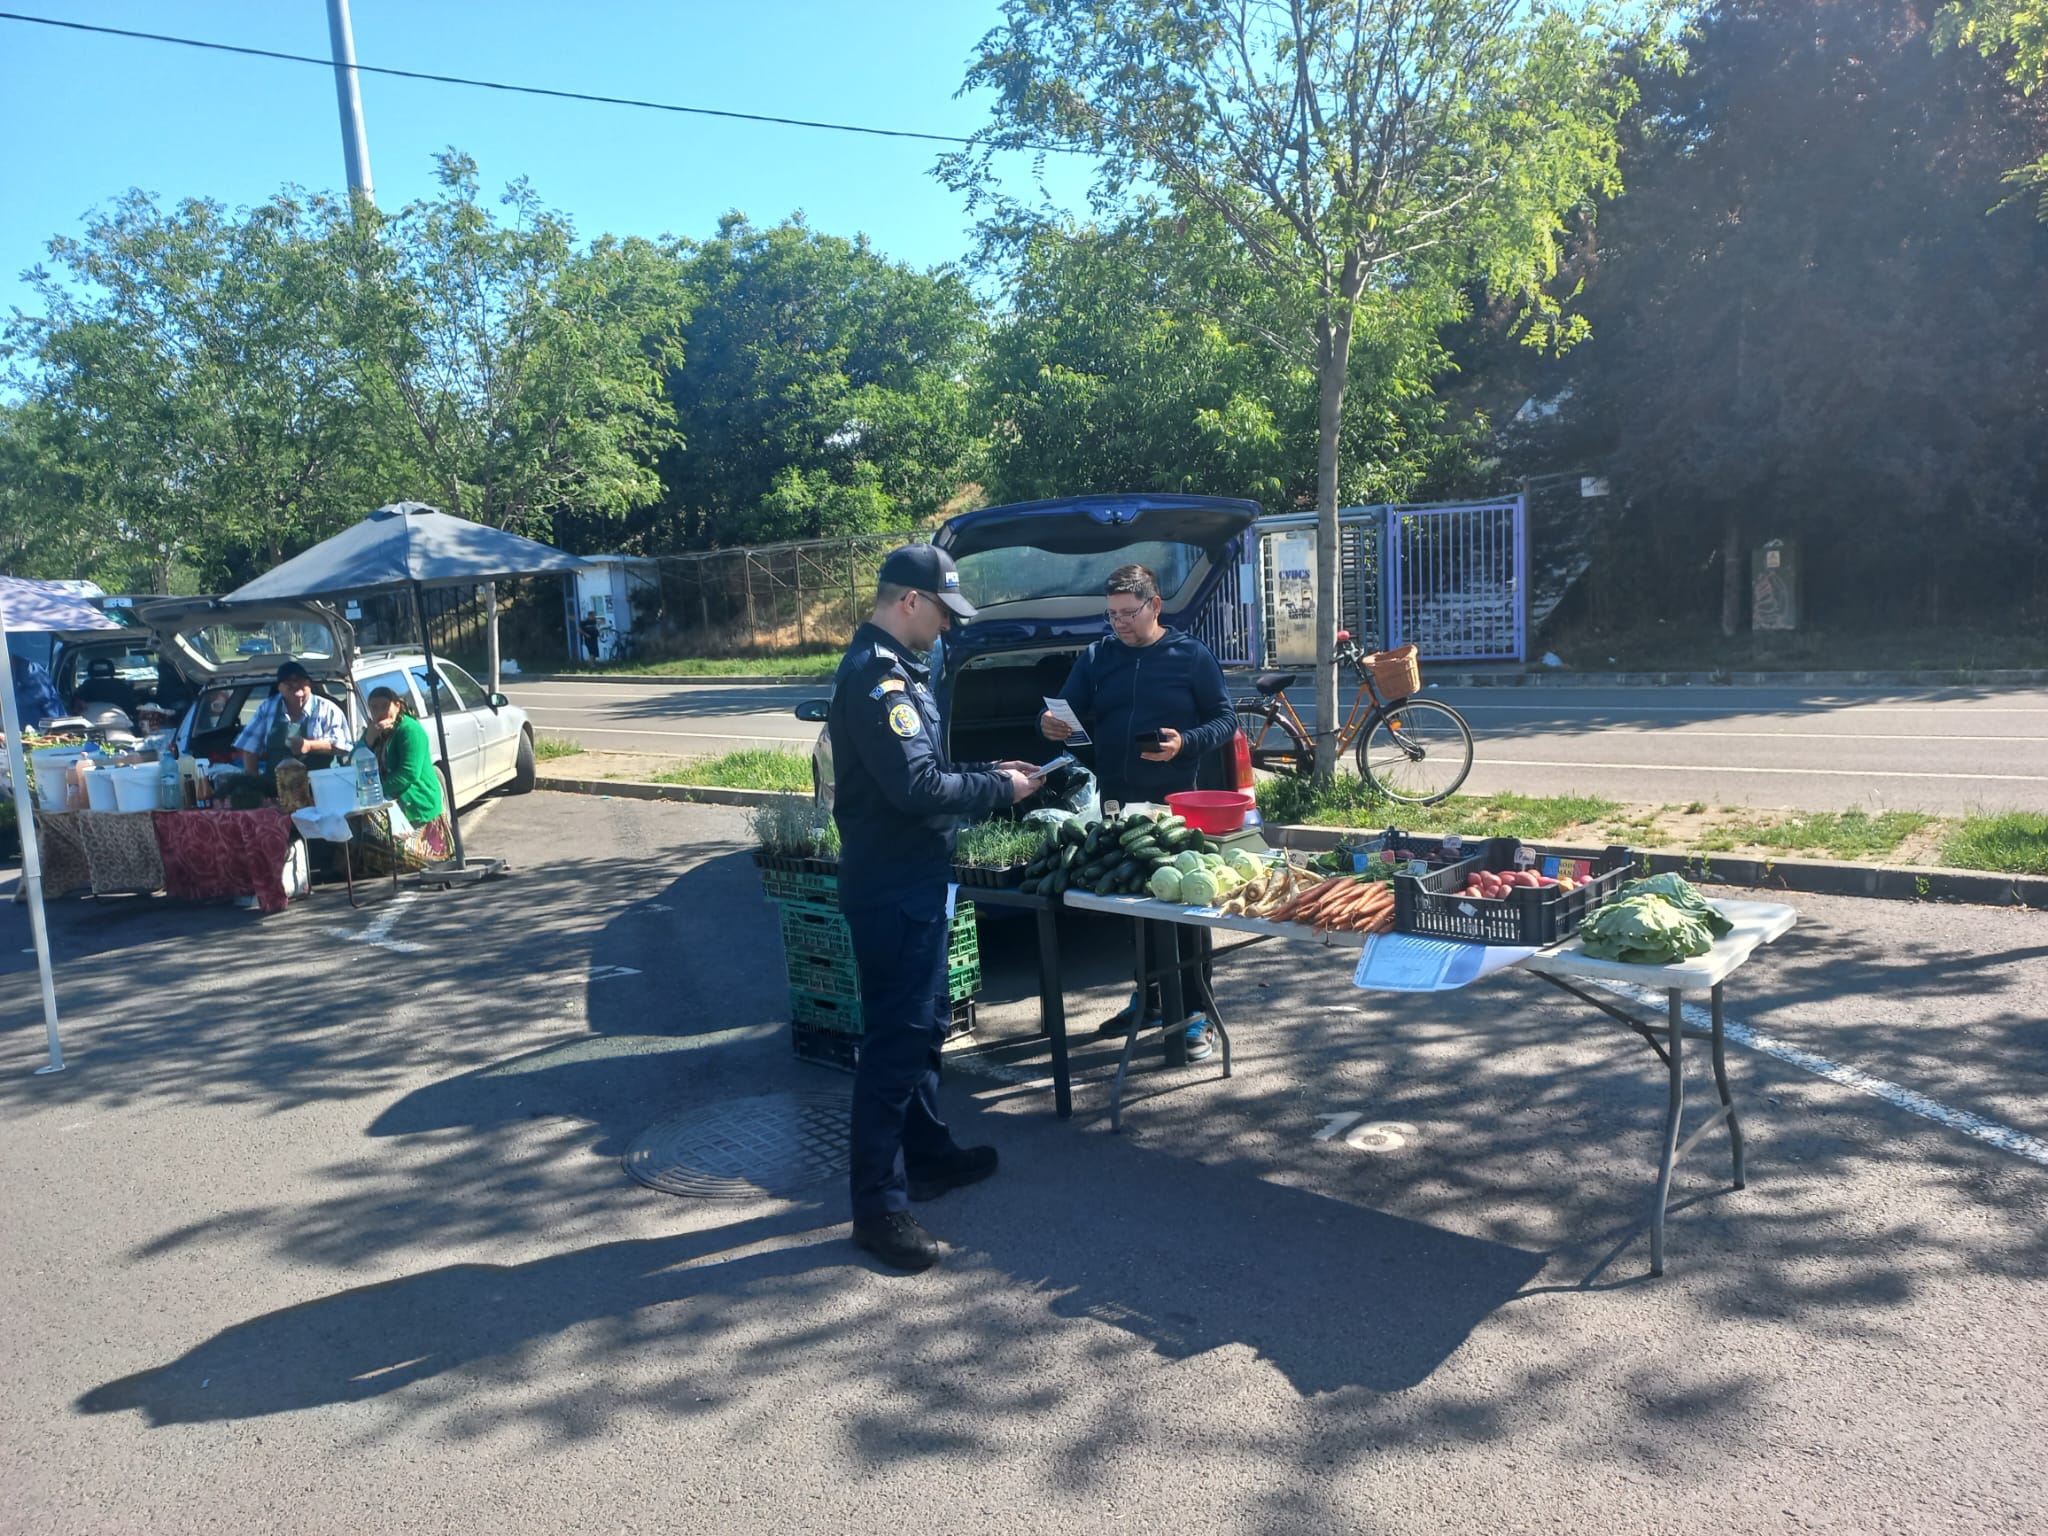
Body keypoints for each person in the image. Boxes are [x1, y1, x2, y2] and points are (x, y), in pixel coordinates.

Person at [829, 543, 1038, 1273]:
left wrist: (991, 770)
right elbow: (916, 790)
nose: (948, 626)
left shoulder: (900, 668)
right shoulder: (876, 678)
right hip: (893, 890)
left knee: (922, 1031)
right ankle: (877, 1209)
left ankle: (928, 1155)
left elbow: (931, 769)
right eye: (944, 612)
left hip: (914, 881)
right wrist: (1000, 791)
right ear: (910, 600)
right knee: (894, 1046)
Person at [1040, 563, 1237, 1061]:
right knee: (1134, 908)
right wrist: (1048, 724)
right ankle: (1149, 1000)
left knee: (1185, 911)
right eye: (1112, 614)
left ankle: (1197, 1013)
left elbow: (1225, 719)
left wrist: (1184, 742)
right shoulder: (1097, 657)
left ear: (1155, 606)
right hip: (1116, 803)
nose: (1119, 623)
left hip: (1174, 808)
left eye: (1128, 613)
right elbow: (1063, 710)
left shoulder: (1190, 655)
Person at [356, 685, 452, 871]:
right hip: (385, 797)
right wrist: (368, 739)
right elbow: (353, 761)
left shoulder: (409, 730)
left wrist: (376, 791)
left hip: (414, 802)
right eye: (374, 707)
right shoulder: (373, 730)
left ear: (397, 706)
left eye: (384, 706)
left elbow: (408, 774)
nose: (379, 712)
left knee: (409, 863)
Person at [234, 660, 353, 778]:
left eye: (301, 680)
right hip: (276, 786)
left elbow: (342, 747)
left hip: (321, 784)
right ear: (279, 687)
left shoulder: (328, 709)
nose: (295, 685)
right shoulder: (267, 708)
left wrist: (309, 746)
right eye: (289, 681)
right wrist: (254, 783)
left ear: (309, 684)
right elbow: (249, 749)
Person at [8, 653, 64, 730]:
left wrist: (8, 702)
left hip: (50, 731)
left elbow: (43, 693)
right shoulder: (8, 675)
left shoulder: (28, 669)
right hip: (15, 732)